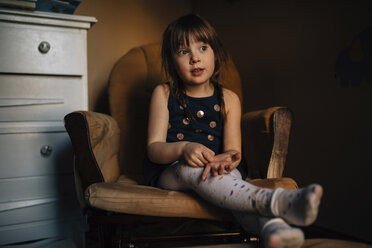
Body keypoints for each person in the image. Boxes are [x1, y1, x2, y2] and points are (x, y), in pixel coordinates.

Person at [142, 14, 323, 248]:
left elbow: (233, 150)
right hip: (172, 171)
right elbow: (153, 149)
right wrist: (183, 148)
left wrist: (224, 160)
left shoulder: (229, 98)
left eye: (203, 48)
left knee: (229, 182)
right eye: (183, 51)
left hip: (219, 168)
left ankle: (274, 230)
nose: (195, 58)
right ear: (171, 60)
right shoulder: (163, 93)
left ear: (215, 52)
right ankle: (275, 201)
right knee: (193, 171)